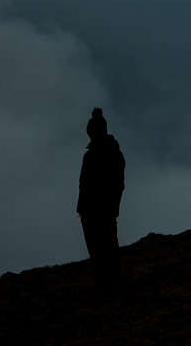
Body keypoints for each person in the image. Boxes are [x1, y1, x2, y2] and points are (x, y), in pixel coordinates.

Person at [77, 107, 126, 298]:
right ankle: (106, 285)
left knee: (102, 249)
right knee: (103, 249)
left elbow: (112, 185)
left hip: (99, 210)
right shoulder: (109, 153)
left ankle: (107, 286)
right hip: (97, 210)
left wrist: (85, 207)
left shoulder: (98, 155)